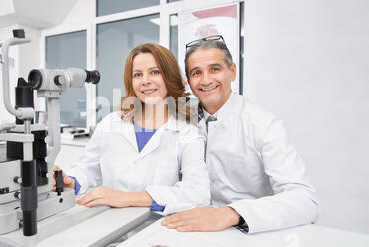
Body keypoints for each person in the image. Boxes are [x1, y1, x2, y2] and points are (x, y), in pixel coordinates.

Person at [162, 35, 319, 234]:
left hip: (247, 233)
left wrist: (230, 213)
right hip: (188, 230)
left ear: (232, 71)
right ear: (189, 82)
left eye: (215, 69)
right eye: (196, 73)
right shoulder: (182, 121)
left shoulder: (263, 123)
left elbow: (305, 200)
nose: (206, 79)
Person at [54, 43, 210, 214]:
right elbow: (87, 168)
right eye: (137, 74)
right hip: (107, 223)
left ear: (170, 76)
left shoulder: (187, 132)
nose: (145, 81)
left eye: (155, 72)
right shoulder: (111, 123)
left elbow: (197, 194)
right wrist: (72, 181)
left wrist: (126, 198)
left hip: (155, 229)